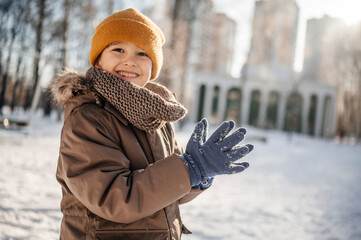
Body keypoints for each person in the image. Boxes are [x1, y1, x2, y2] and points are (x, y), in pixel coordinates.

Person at [50, 8, 254, 240]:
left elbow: (170, 192)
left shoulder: (157, 117)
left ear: (153, 68)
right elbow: (112, 198)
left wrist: (200, 174)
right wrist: (189, 167)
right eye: (118, 49)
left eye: (142, 54)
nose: (129, 60)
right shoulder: (88, 117)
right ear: (98, 60)